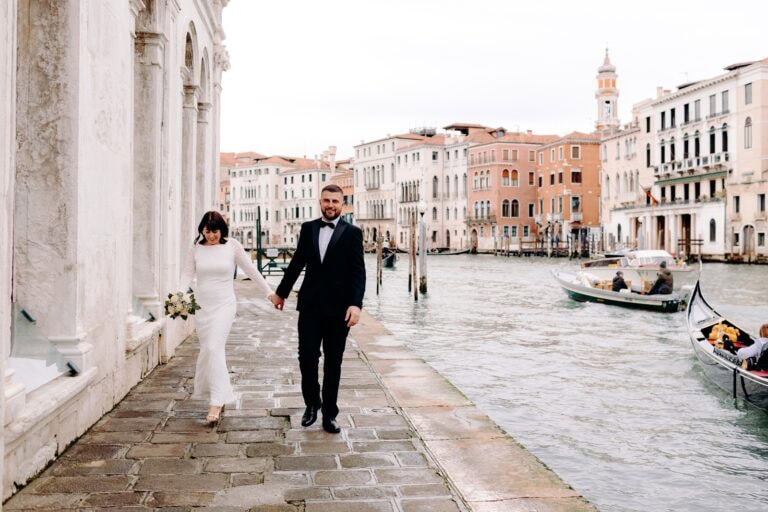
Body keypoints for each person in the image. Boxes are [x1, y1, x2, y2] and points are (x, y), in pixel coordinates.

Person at [270, 184, 366, 434]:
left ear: (342, 205)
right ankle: (312, 404)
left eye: (335, 201)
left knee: (334, 362)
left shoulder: (353, 233)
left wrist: (356, 304)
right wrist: (281, 293)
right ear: (320, 202)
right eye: (326, 201)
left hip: (339, 309)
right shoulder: (308, 228)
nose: (330, 205)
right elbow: (297, 263)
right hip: (310, 305)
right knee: (307, 358)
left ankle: (329, 415)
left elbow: (358, 273)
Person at [181, 211, 276, 425]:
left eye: (215, 231)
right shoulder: (196, 247)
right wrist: (178, 295)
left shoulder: (232, 246)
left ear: (222, 230)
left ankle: (215, 402)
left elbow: (251, 270)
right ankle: (220, 395)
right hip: (202, 307)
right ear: (202, 230)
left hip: (224, 305)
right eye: (207, 231)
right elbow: (187, 274)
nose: (211, 236)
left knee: (214, 347)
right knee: (209, 350)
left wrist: (268, 292)